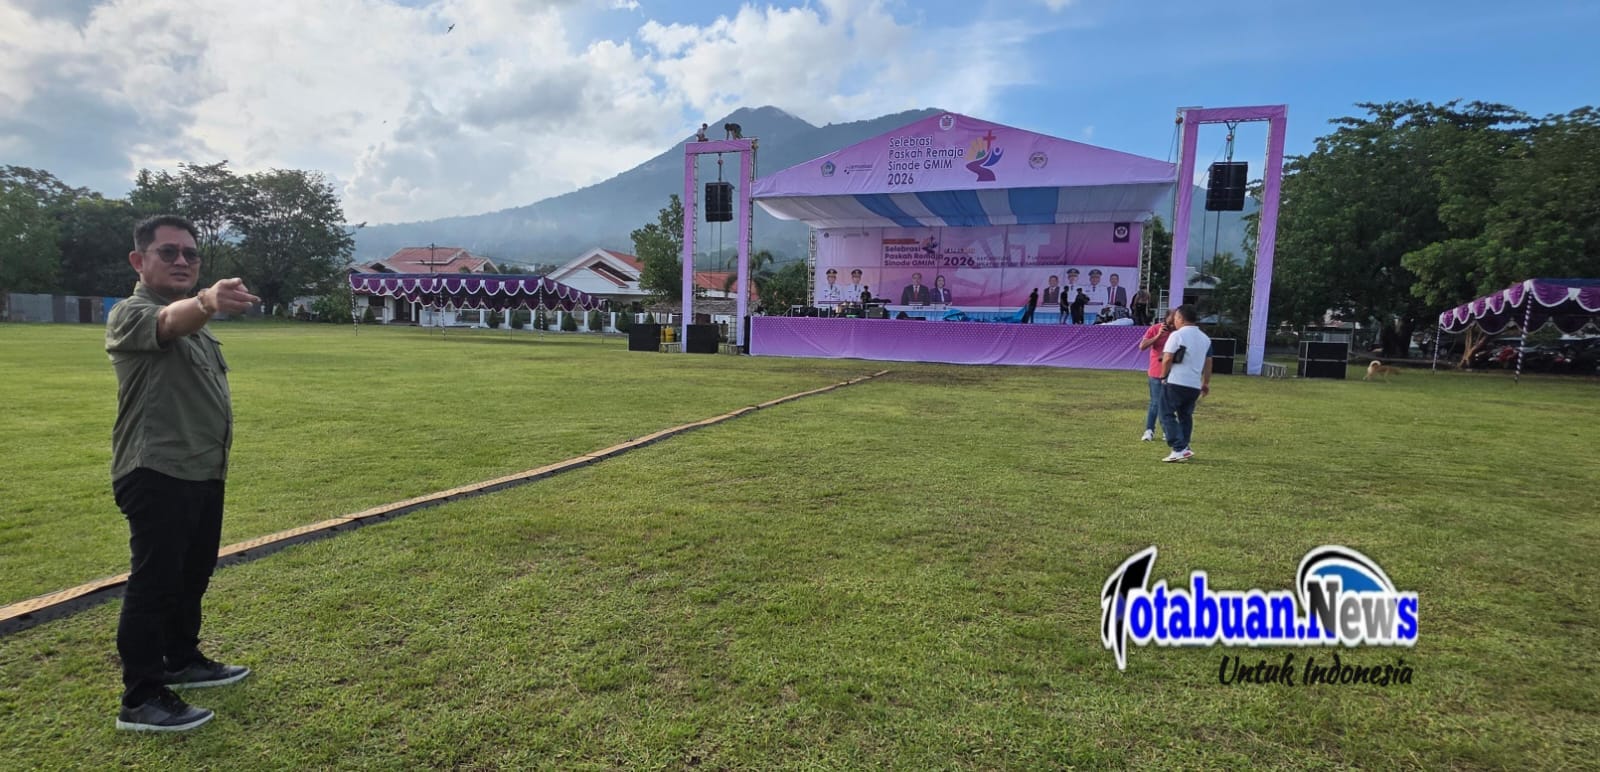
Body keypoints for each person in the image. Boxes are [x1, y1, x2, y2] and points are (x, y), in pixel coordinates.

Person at [106, 215, 260, 732]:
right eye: (168, 252)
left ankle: (181, 660)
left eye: (190, 255)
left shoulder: (199, 327)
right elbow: (169, 322)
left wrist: (205, 309)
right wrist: (208, 301)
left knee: (191, 575)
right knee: (154, 583)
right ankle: (142, 696)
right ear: (139, 260)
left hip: (201, 470)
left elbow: (185, 323)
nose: (182, 262)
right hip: (156, 470)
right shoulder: (131, 314)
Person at [1158, 304, 1213, 462]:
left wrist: (1163, 375)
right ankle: (1185, 446)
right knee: (1185, 416)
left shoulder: (1177, 335)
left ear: (1181, 318)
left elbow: (1167, 358)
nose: (1174, 321)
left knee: (1166, 413)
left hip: (1176, 381)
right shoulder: (1205, 338)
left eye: (1175, 318)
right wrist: (1206, 382)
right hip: (1194, 384)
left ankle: (1178, 447)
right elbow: (1209, 362)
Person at [1137, 310, 1176, 441]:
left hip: (1173, 372)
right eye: (1170, 322)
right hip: (1156, 371)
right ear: (1165, 319)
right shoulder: (1154, 329)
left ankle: (1166, 430)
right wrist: (1158, 336)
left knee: (1168, 403)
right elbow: (1142, 346)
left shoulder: (1177, 332)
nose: (1171, 325)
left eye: (1174, 322)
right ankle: (1149, 430)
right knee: (1155, 402)